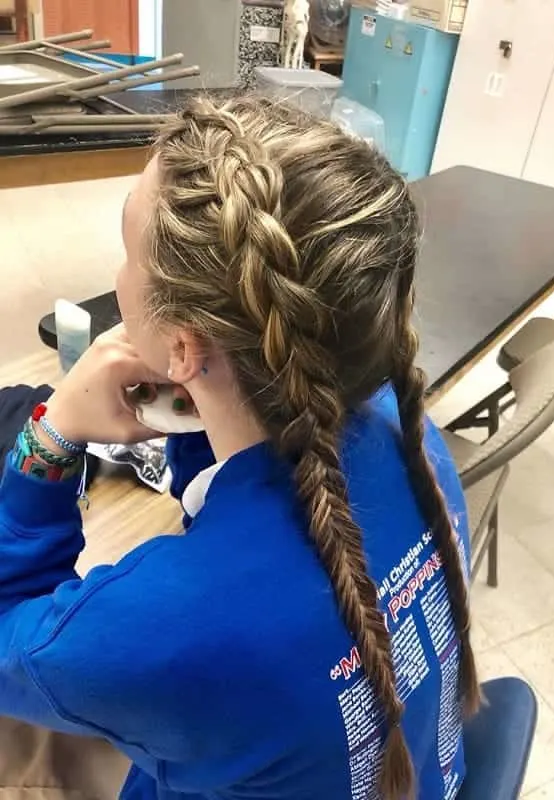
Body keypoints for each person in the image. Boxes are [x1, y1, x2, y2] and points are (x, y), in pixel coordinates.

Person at [0, 96, 479, 800]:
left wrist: (53, 431)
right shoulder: (408, 434)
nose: (121, 272)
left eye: (128, 254)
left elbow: (12, 634)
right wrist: (200, 402)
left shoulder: (169, 623)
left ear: (184, 345)